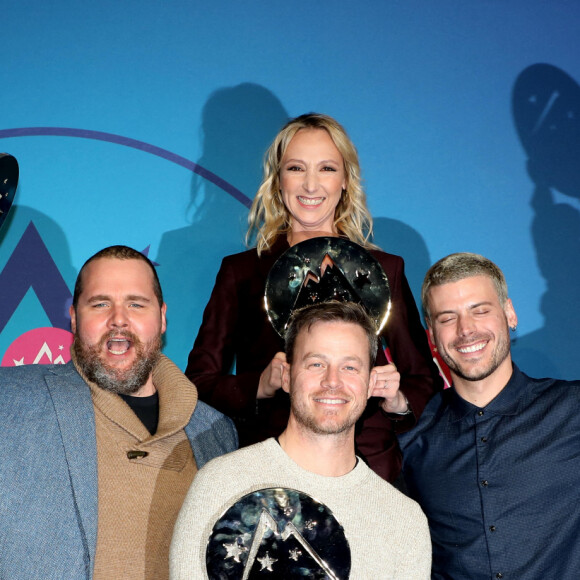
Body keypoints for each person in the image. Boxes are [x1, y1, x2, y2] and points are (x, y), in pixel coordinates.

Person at [185, 112, 442, 482]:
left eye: (325, 168)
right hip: (269, 467)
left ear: (345, 181)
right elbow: (198, 381)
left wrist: (396, 397)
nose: (310, 185)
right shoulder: (241, 272)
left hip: (365, 466)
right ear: (277, 181)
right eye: (295, 168)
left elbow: (425, 380)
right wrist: (260, 384)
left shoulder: (384, 268)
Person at [0, 245, 238, 580]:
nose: (119, 320)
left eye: (136, 304)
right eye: (100, 304)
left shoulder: (217, 432)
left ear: (163, 317)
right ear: (73, 318)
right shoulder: (10, 400)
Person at [171, 301, 432, 579]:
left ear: (371, 384)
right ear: (286, 376)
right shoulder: (220, 483)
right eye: (316, 363)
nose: (332, 381)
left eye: (350, 367)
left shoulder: (403, 519)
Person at [398, 252, 580, 579]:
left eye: (480, 311)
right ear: (432, 338)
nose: (466, 330)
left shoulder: (572, 410)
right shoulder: (413, 441)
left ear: (509, 313)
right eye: (447, 318)